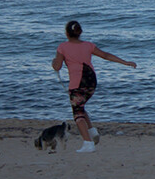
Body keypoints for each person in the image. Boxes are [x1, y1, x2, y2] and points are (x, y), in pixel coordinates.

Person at [52, 20, 136, 153]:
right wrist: (125, 62)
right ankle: (92, 132)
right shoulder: (88, 45)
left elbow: (57, 67)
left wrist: (54, 61)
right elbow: (105, 55)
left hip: (77, 83)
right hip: (91, 81)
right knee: (80, 106)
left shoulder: (62, 47)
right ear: (80, 32)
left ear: (67, 33)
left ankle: (88, 143)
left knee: (77, 114)